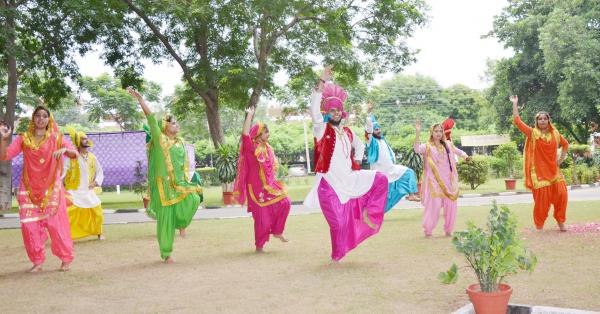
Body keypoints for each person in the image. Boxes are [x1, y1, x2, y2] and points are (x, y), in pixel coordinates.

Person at [303, 66, 388, 261]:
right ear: (327, 111)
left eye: (338, 110)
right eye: (331, 110)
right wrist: (321, 83)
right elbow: (314, 112)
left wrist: (357, 160)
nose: (335, 113)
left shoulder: (348, 132)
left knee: (381, 179)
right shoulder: (321, 129)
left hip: (349, 179)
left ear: (342, 113)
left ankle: (369, 213)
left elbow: (360, 147)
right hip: (330, 184)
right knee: (339, 224)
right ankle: (337, 257)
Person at [127, 87, 202, 263]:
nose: (176, 124)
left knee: (195, 198)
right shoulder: (160, 139)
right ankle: (167, 254)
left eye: (176, 122)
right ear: (165, 126)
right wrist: (141, 100)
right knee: (165, 221)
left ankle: (181, 224)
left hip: (179, 183)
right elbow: (151, 119)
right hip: (163, 187)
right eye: (173, 122)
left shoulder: (179, 142)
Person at [0, 107, 78, 272]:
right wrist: (3, 139)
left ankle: (65, 259)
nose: (41, 119)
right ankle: (37, 262)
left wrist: (65, 149)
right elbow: (5, 155)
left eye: (44, 116)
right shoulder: (24, 138)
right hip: (28, 189)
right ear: (33, 118)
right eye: (38, 116)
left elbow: (74, 154)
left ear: (49, 120)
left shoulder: (57, 138)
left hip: (51, 189)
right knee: (29, 228)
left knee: (56, 226)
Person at [232, 106, 291, 252]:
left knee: (285, 202)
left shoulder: (268, 147)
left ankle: (277, 231)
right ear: (258, 133)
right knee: (262, 219)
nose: (268, 134)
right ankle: (259, 246)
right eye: (266, 132)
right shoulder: (250, 146)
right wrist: (249, 115)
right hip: (256, 188)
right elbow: (245, 133)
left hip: (270, 186)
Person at [510, 95, 569, 231]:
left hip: (554, 172)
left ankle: (560, 221)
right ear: (537, 121)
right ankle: (539, 226)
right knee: (541, 203)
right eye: (540, 119)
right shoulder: (532, 133)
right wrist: (515, 104)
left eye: (545, 118)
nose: (542, 120)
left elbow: (566, 145)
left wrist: (560, 160)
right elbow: (517, 121)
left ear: (549, 121)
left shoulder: (555, 134)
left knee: (562, 196)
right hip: (539, 174)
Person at [414, 119, 470, 237]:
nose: (438, 133)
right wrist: (418, 132)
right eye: (436, 131)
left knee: (451, 204)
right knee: (434, 204)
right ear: (431, 133)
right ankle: (428, 230)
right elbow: (417, 149)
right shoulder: (427, 146)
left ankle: (449, 230)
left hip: (448, 180)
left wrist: (465, 156)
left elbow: (457, 151)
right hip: (434, 181)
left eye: (440, 131)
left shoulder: (448, 144)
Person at [364, 102, 420, 214]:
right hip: (380, 174)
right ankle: (373, 213)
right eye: (376, 130)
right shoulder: (371, 142)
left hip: (391, 170)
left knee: (409, 173)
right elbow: (368, 129)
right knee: (385, 198)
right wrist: (369, 113)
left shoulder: (383, 141)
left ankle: (412, 194)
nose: (378, 130)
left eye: (379, 129)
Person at [63, 127, 105, 240]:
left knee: (97, 211)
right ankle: (67, 235)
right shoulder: (71, 157)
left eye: (86, 138)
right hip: (74, 190)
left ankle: (99, 233)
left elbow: (100, 171)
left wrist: (96, 182)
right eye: (83, 139)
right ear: (78, 141)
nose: (86, 140)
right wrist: (58, 184)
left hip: (88, 190)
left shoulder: (92, 157)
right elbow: (63, 171)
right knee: (69, 212)